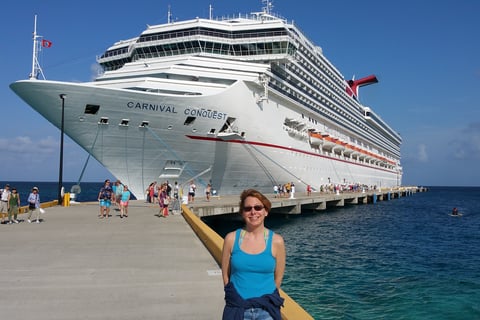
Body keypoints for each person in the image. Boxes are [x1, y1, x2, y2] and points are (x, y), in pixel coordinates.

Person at [221, 189, 286, 320]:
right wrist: (233, 295)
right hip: (237, 308)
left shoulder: (276, 241)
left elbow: (278, 278)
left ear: (265, 211)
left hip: (266, 310)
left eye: (258, 207)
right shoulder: (231, 239)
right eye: (247, 208)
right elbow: (225, 274)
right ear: (242, 213)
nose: (253, 212)